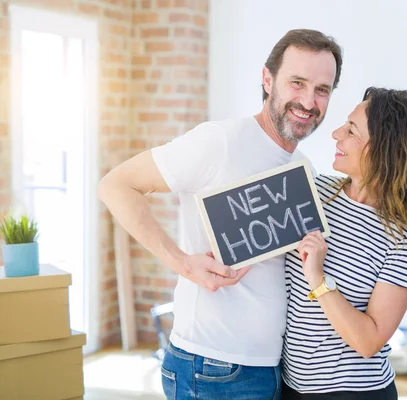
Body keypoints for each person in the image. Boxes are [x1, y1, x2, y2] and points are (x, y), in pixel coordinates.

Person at [97, 29, 343, 400]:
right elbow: (115, 185)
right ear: (267, 79)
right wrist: (182, 263)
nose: (309, 101)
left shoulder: (301, 168)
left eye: (322, 89)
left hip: (273, 368)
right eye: (297, 83)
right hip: (212, 369)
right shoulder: (220, 142)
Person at [282, 87, 407, 399]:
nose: (335, 134)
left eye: (351, 130)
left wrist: (318, 279)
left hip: (352, 393)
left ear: (387, 150)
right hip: (288, 385)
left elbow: (368, 341)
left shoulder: (406, 239)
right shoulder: (314, 192)